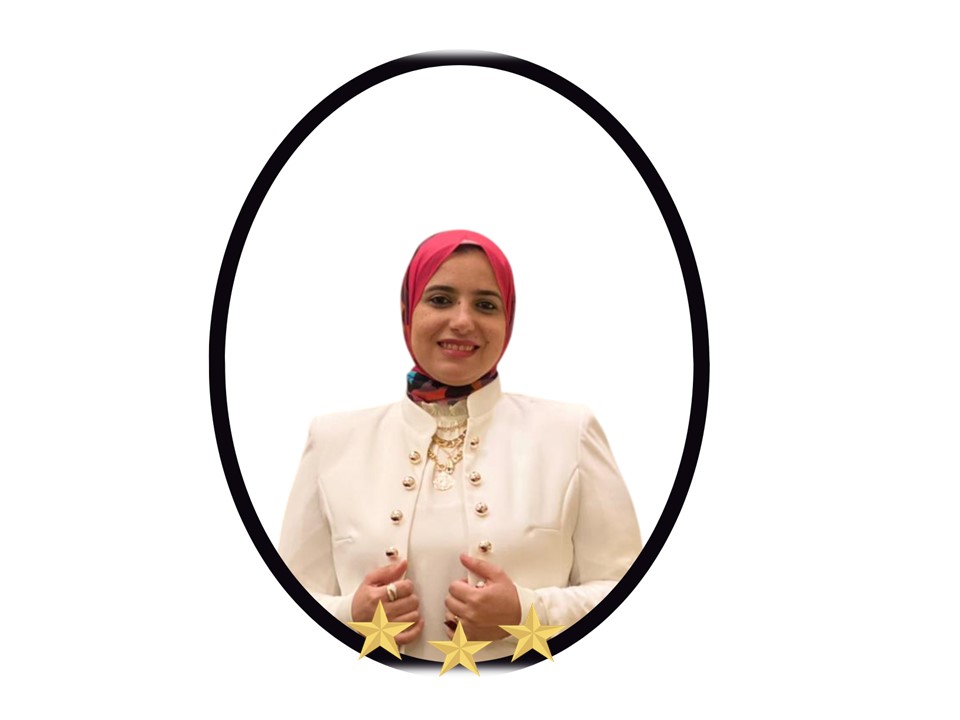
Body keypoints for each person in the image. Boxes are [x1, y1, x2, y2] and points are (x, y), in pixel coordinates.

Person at [278, 229, 642, 661]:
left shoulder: (569, 433)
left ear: (508, 320)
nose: (463, 321)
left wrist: (527, 613)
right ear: (407, 311)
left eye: (486, 305)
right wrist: (350, 617)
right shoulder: (333, 440)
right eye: (440, 299)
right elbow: (286, 604)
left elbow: (628, 591)